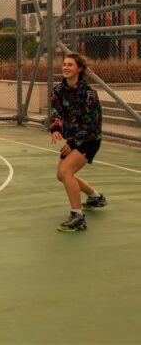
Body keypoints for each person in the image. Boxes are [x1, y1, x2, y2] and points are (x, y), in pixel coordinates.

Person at [50, 52, 105, 233]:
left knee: (66, 171)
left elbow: (92, 126)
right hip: (73, 139)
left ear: (79, 69)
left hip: (89, 140)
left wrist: (73, 143)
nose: (65, 67)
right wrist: (56, 129)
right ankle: (95, 197)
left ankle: (78, 217)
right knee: (61, 175)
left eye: (70, 65)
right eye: (64, 64)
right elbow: (56, 113)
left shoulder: (89, 94)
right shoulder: (58, 91)